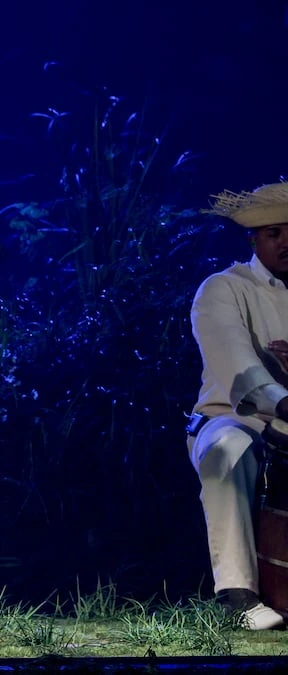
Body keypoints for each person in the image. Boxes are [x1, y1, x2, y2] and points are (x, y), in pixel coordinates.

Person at [189, 182, 288, 630]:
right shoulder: (223, 289)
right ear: (254, 239)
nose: (286, 242)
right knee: (225, 450)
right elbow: (239, 367)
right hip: (235, 416)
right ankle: (238, 597)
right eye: (274, 233)